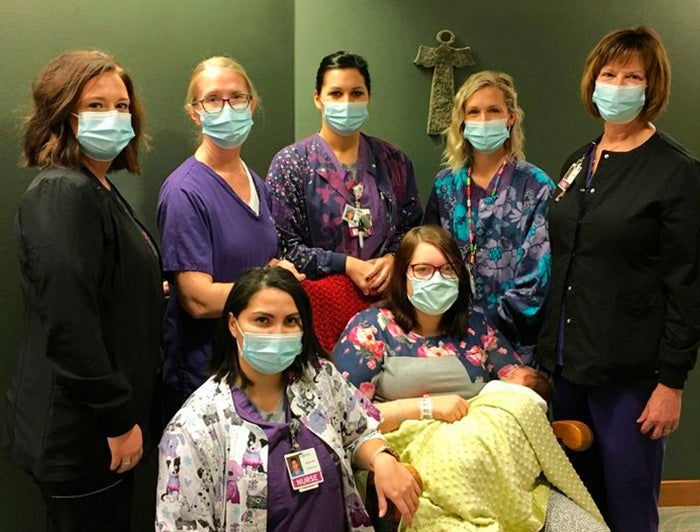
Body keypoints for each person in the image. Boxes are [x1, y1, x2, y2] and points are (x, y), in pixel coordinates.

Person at [536, 26, 700, 532]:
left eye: (633, 76)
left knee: (628, 511)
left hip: (630, 380)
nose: (618, 85)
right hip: (565, 369)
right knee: (574, 509)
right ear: (592, 82)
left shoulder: (675, 172)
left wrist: (670, 382)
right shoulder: (577, 163)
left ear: (652, 89)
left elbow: (689, 285)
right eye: (609, 74)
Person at [3, 50, 164, 531]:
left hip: (100, 428)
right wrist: (117, 421)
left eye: (121, 106)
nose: (113, 117)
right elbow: (69, 323)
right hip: (86, 435)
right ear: (61, 113)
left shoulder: (96, 189)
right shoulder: (61, 194)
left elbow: (100, 284)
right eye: (95, 105)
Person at [156, 266, 421, 530]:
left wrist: (381, 458)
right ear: (233, 324)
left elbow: (359, 432)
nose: (278, 333)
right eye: (263, 320)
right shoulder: (194, 429)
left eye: (291, 321)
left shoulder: (319, 378)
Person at [157, 56, 303, 420]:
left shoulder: (255, 182)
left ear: (251, 105)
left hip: (256, 367)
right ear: (195, 112)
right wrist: (273, 284)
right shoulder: (185, 192)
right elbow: (197, 298)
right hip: (205, 374)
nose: (227, 108)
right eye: (212, 99)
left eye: (237, 97)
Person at [334, 225, 524, 434]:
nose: (438, 279)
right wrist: (426, 408)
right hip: (402, 455)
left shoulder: (477, 327)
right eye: (423, 270)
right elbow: (342, 415)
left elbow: (521, 389)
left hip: (477, 444)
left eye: (448, 269)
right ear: (402, 275)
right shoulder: (370, 329)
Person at [267, 51, 423, 296]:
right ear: (318, 99)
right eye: (336, 94)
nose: (347, 103)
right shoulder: (291, 164)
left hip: (386, 305)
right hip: (318, 304)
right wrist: (346, 265)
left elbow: (412, 229)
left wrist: (393, 258)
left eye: (357, 93)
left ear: (368, 97)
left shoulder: (393, 161)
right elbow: (285, 247)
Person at [423, 71, 554, 359]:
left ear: (510, 117)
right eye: (474, 111)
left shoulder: (536, 187)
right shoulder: (446, 186)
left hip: (513, 344)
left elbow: (536, 281)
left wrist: (480, 327)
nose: (483, 120)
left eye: (494, 110)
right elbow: (426, 261)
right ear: (462, 121)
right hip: (447, 337)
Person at [385, 365, 608, 531]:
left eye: (513, 375)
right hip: (435, 436)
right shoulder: (372, 329)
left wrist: (529, 413)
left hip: (508, 470)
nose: (507, 374)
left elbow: (528, 386)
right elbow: (358, 414)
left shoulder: (481, 331)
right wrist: (426, 407)